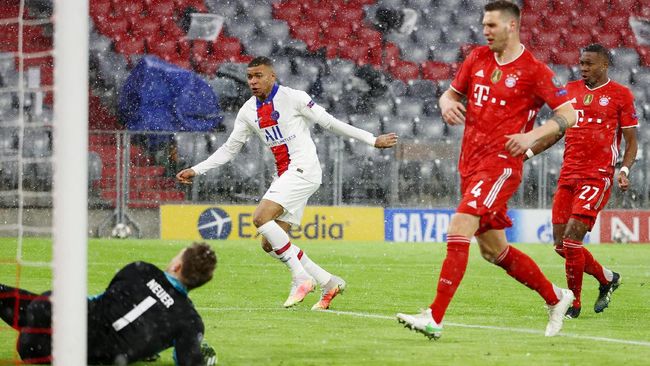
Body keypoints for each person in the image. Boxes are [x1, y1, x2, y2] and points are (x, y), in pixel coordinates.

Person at [396, 1, 577, 339]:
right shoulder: (477, 58)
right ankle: (556, 297)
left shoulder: (534, 71)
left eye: (492, 25)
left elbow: (569, 114)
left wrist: (531, 136)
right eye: (484, 25)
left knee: (460, 223)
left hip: (501, 166)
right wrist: (447, 104)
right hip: (470, 162)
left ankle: (434, 316)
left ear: (512, 26)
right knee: (494, 251)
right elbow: (449, 95)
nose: (485, 31)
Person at [176, 56, 397, 310]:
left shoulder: (294, 98)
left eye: (259, 76)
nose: (253, 81)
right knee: (270, 244)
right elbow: (229, 149)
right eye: (250, 77)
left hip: (304, 169)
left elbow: (329, 123)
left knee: (260, 218)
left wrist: (371, 140)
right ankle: (328, 282)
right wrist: (197, 169)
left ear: (273, 76)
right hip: (285, 175)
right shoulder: (248, 111)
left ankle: (301, 278)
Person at [525, 43, 638, 319]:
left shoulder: (620, 95)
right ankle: (607, 278)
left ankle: (573, 303)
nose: (583, 68)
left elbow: (632, 142)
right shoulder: (571, 92)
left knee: (573, 240)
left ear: (604, 65)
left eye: (589, 64)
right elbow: (556, 132)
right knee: (561, 245)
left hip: (597, 176)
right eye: (582, 63)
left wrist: (623, 170)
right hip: (569, 175)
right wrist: (526, 152)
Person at [0, 242, 218, 365]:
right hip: (60, 356)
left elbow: (105, 300)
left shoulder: (141, 269)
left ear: (176, 267)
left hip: (43, 326)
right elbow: (187, 362)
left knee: (59, 303)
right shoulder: (190, 321)